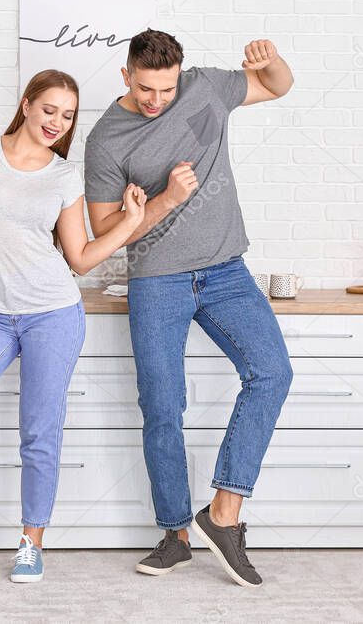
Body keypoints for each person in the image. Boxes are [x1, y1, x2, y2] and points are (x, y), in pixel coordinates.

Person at [0, 66, 147, 589]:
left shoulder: (63, 177)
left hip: (53, 315)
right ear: (27, 103)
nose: (57, 122)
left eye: (67, 115)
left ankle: (31, 544)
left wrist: (128, 223)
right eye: (49, 110)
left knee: (38, 434)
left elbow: (80, 258)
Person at [85, 29, 295, 587]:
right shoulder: (107, 139)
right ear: (126, 75)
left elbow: (278, 87)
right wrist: (166, 200)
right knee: (162, 405)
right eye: (147, 88)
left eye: (167, 88)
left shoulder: (206, 89)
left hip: (227, 269)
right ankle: (175, 536)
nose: (157, 100)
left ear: (182, 74)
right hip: (158, 279)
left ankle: (223, 515)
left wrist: (273, 61)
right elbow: (107, 233)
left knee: (272, 372)